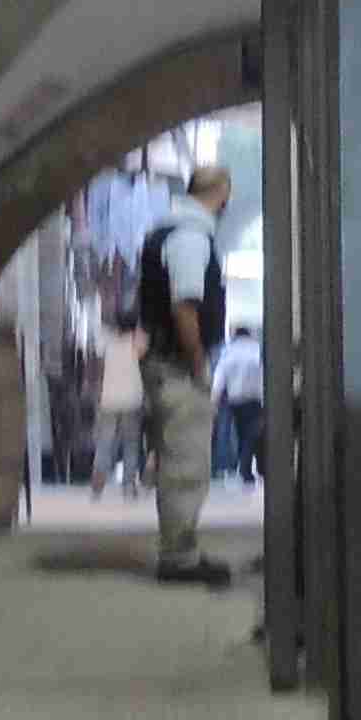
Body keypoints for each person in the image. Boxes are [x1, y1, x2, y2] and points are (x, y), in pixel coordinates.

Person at [138, 158, 237, 586]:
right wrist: (199, 363)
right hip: (178, 365)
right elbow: (185, 305)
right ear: (221, 194)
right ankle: (179, 557)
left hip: (163, 360)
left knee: (177, 456)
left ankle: (179, 549)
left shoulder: (168, 229)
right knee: (186, 460)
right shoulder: (190, 238)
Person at [91, 312, 148, 496]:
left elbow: (98, 371)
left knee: (105, 441)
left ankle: (98, 479)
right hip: (132, 399)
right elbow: (145, 357)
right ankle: (129, 485)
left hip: (109, 398)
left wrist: (98, 392)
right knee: (131, 443)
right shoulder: (137, 343)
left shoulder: (107, 343)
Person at [214, 314, 266, 486]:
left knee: (245, 434)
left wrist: (214, 398)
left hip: (235, 400)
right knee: (253, 434)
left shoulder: (229, 352)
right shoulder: (257, 350)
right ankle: (248, 469)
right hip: (254, 399)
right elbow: (264, 375)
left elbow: (219, 377)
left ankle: (247, 469)